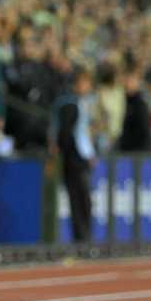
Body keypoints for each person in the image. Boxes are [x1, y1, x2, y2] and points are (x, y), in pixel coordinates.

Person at [50, 67, 98, 242]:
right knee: (79, 200)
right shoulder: (69, 104)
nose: (88, 86)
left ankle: (84, 236)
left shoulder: (80, 102)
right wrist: (74, 154)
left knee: (83, 200)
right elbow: (66, 134)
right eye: (84, 82)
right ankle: (82, 238)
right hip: (74, 159)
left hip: (80, 157)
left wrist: (90, 152)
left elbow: (82, 133)